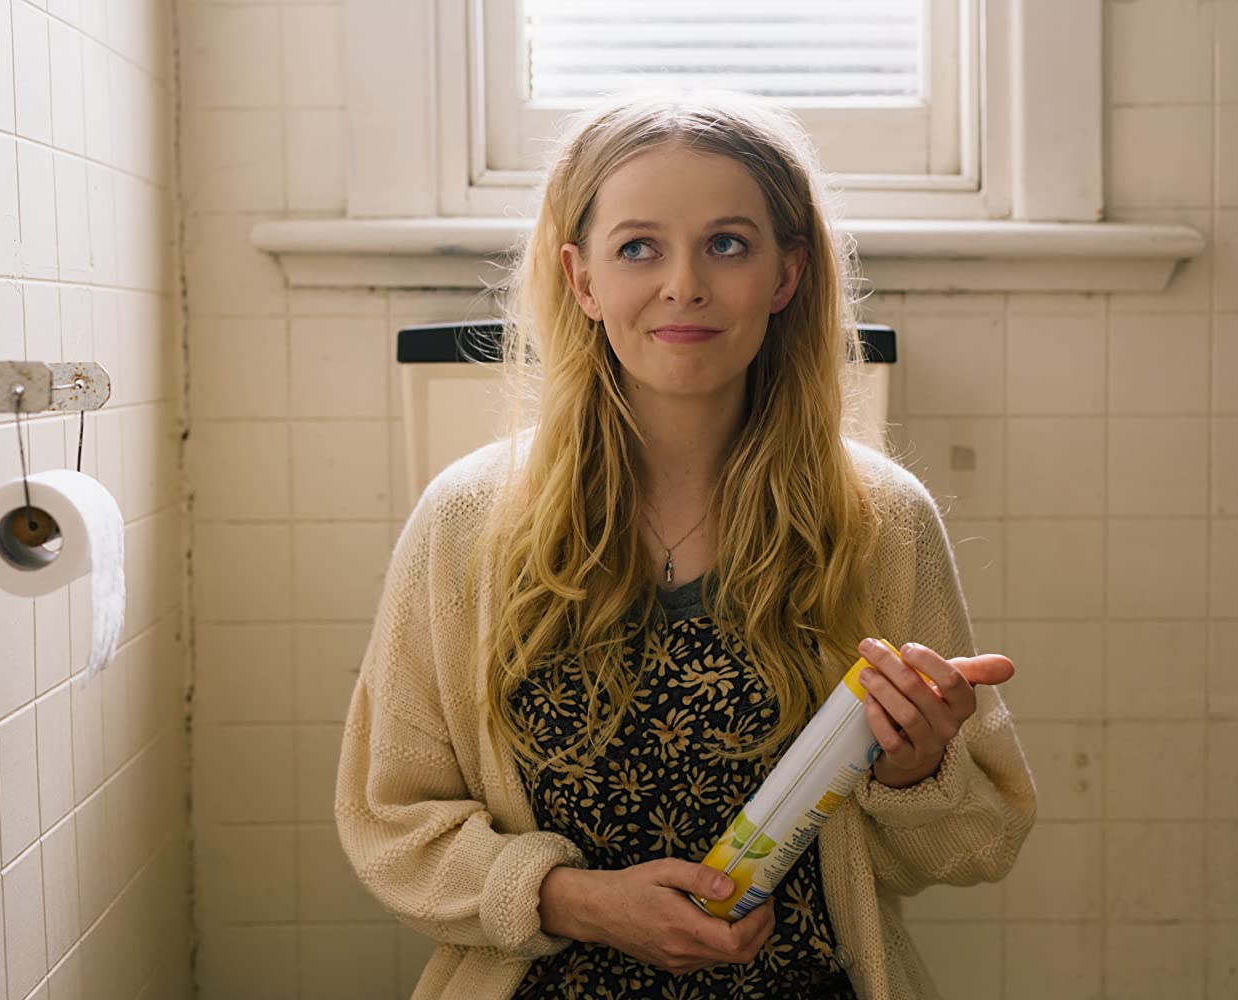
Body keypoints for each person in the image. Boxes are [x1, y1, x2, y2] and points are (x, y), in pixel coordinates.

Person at [335, 88, 1037, 1000]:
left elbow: (979, 843)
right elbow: (390, 824)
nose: (684, 285)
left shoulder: (880, 523)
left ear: (786, 275)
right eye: (638, 247)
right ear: (582, 280)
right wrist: (575, 901)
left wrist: (917, 769)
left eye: (727, 245)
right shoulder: (466, 523)